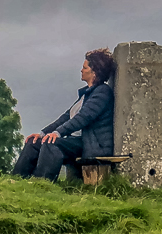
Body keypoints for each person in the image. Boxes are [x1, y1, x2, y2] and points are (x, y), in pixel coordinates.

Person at [12, 48, 117, 182]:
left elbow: (83, 118)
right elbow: (65, 117)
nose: (81, 70)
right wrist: (43, 134)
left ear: (94, 72)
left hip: (93, 145)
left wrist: (58, 133)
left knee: (52, 144)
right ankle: (17, 181)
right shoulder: (86, 95)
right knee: (34, 142)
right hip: (79, 142)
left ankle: (40, 183)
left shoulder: (103, 92)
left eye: (84, 67)